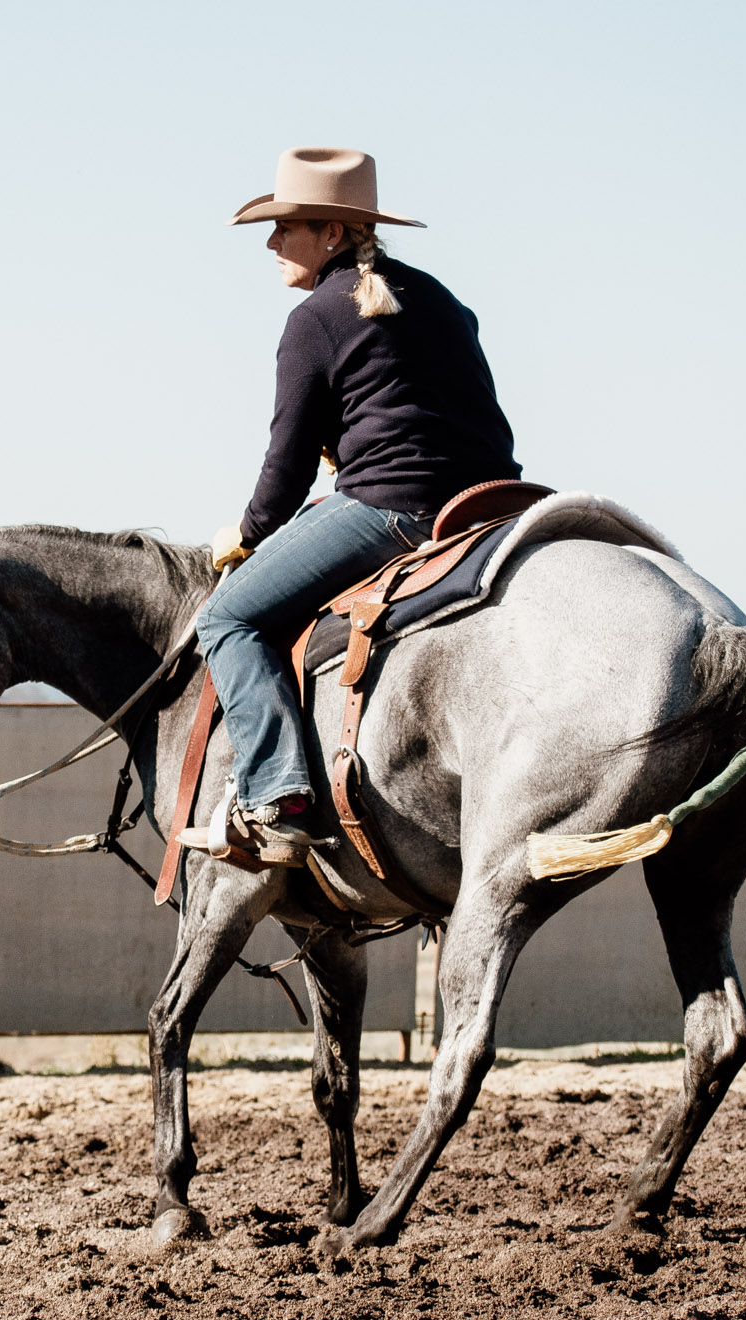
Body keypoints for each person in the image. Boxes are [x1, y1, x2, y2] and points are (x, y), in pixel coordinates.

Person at [191, 146, 521, 866]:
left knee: (226, 619)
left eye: (285, 227)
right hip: (490, 506)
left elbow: (286, 466)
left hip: (393, 510)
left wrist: (247, 533)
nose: (272, 243)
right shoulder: (442, 298)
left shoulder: (314, 318)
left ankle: (277, 797)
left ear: (332, 233)